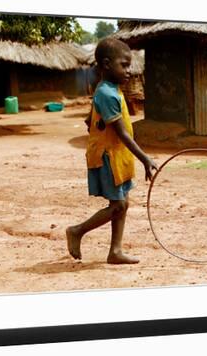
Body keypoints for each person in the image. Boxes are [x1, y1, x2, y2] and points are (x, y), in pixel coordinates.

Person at [66, 38, 158, 264]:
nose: (129, 71)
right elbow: (123, 134)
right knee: (118, 205)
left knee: (122, 203)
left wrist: (94, 123)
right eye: (124, 65)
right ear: (107, 64)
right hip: (109, 158)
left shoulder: (109, 90)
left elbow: (91, 120)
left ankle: (115, 251)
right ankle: (77, 231)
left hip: (118, 156)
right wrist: (145, 159)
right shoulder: (107, 93)